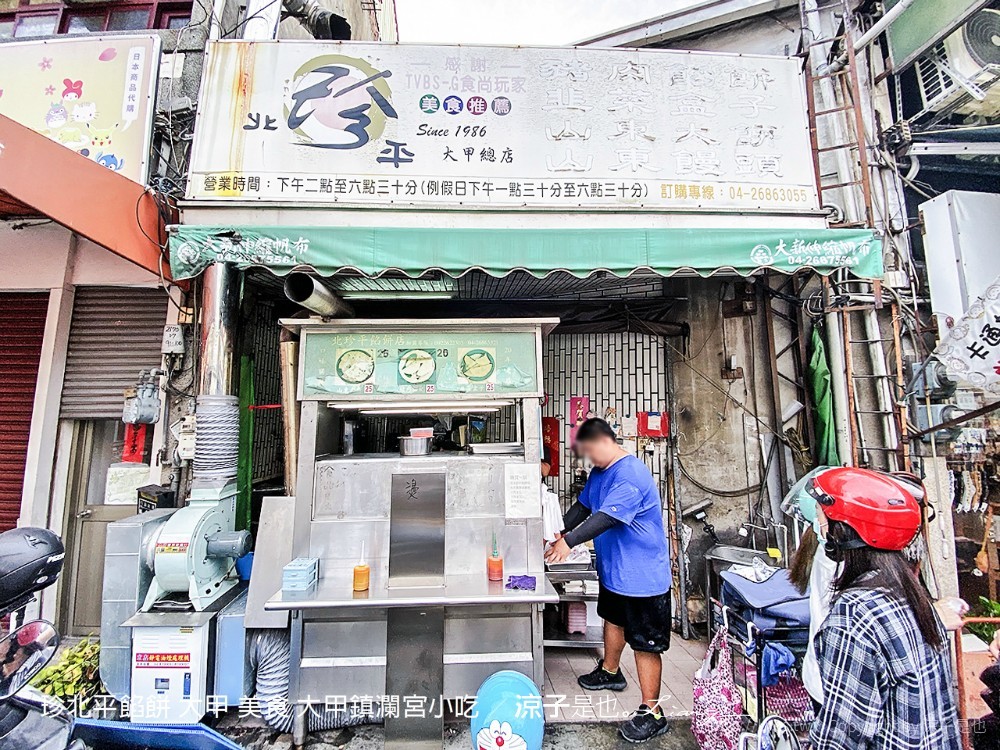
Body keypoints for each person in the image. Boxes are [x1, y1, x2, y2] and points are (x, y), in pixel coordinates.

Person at [808, 467, 961, 750]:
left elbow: (841, 737)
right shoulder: (910, 592)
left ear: (843, 531)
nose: (819, 527)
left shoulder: (853, 616)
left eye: (822, 519)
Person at [544, 417, 672, 743]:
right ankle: (610, 672)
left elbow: (606, 518)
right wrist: (555, 530)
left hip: (643, 578)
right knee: (612, 620)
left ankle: (653, 712)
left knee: (644, 644)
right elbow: (582, 507)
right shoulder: (600, 473)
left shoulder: (631, 474)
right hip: (616, 573)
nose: (588, 458)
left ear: (605, 441)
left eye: (590, 451)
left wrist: (568, 542)